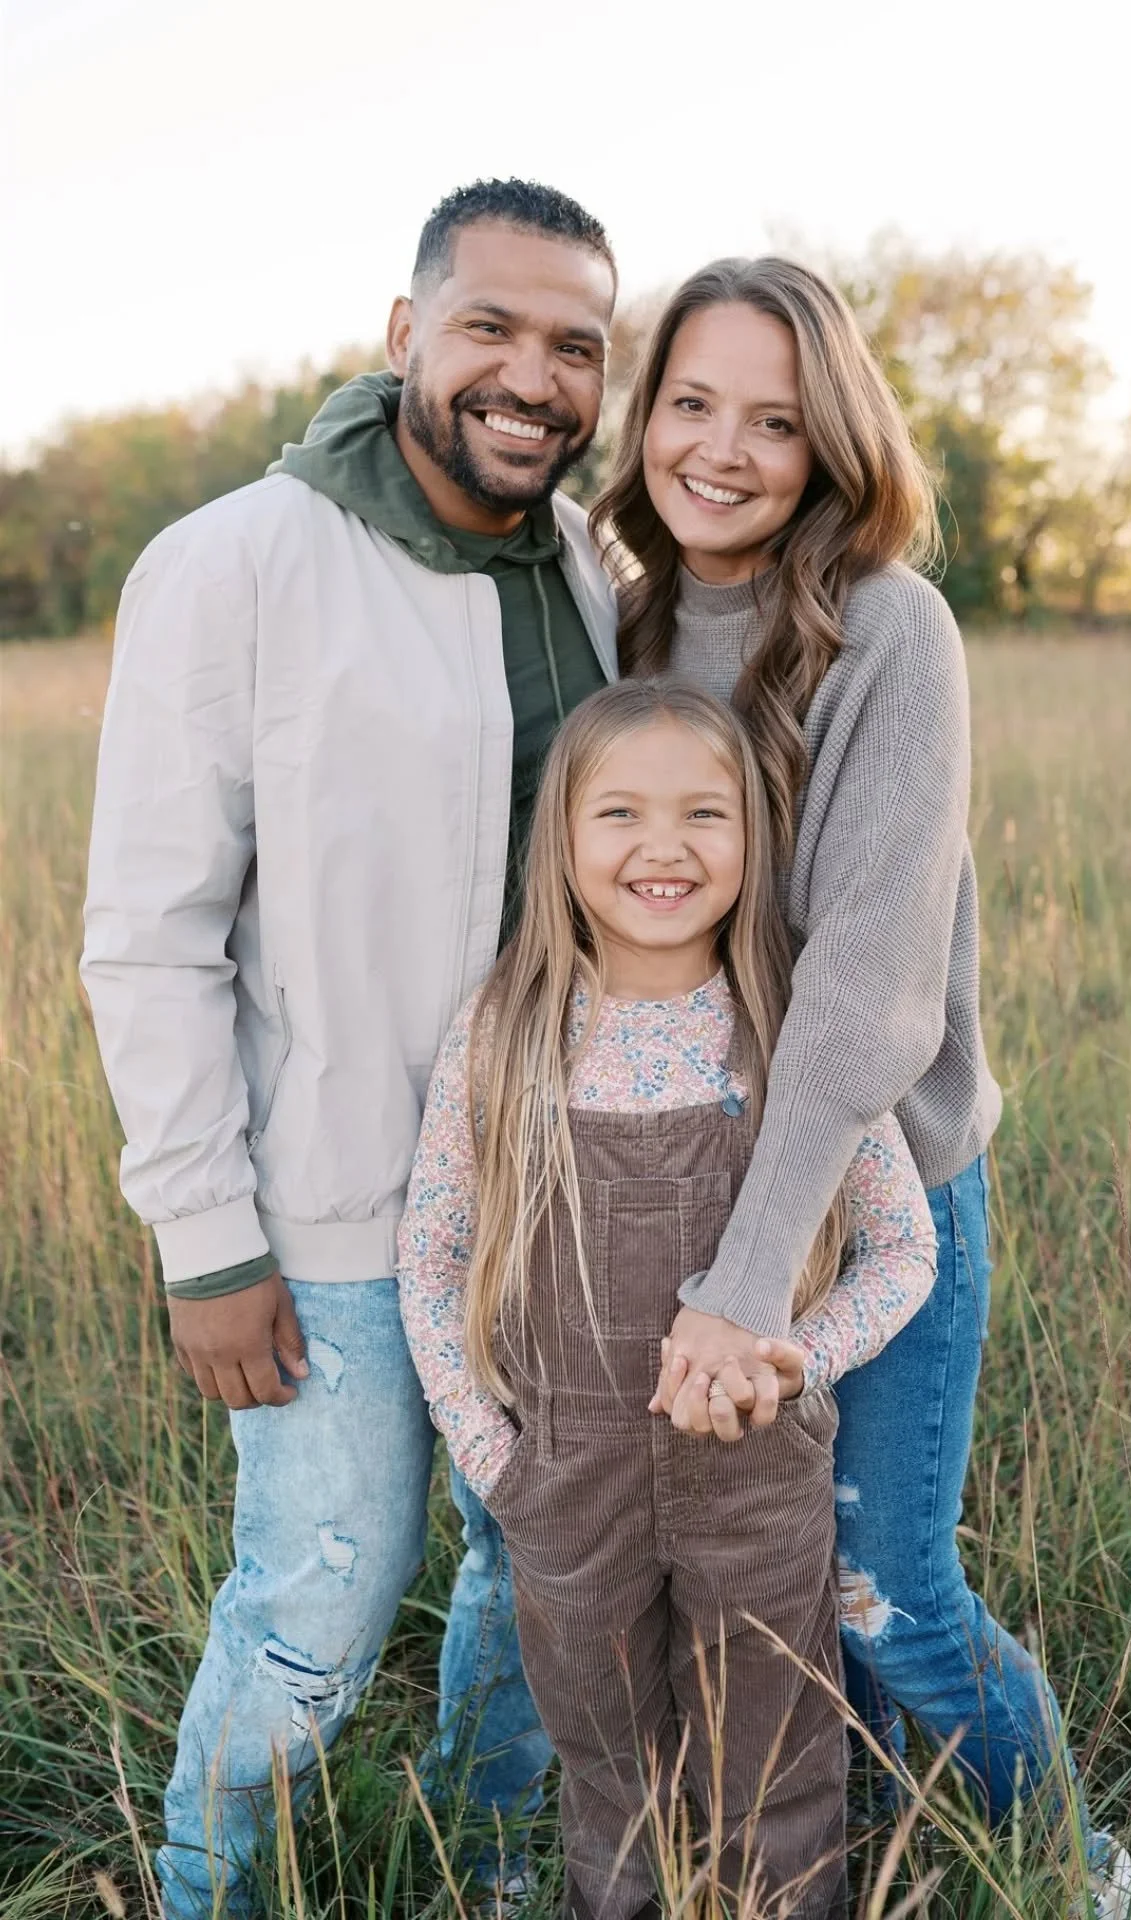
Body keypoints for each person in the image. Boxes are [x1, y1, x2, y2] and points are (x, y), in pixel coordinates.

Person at [80, 177, 618, 1917]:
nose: (531, 378)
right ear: (404, 334)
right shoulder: (237, 562)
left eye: (575, 347)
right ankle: (206, 1893)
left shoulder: (595, 574)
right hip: (332, 1219)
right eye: (491, 327)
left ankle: (498, 1868)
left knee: (540, 1574)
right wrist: (205, 1238)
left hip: (562, 1197)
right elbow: (149, 934)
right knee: (317, 1602)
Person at [586, 259, 1131, 1917]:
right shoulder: (623, 618)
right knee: (767, 1592)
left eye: (774, 417)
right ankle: (871, 1853)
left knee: (891, 1584)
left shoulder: (890, 625)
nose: (724, 449)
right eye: (691, 403)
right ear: (646, 415)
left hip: (878, 1182)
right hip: (682, 1173)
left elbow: (867, 991)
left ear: (832, 440)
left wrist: (744, 1293)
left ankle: (1067, 1869)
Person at [397, 678, 938, 1919]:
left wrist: (798, 1361)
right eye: (621, 814)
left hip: (755, 1467)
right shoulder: (508, 1030)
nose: (663, 848)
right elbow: (431, 1259)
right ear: (563, 839)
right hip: (566, 1476)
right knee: (605, 1770)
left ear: (755, 836)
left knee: (778, 1763)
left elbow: (904, 1250)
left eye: (705, 814)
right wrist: (493, 1456)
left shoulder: (791, 1029)